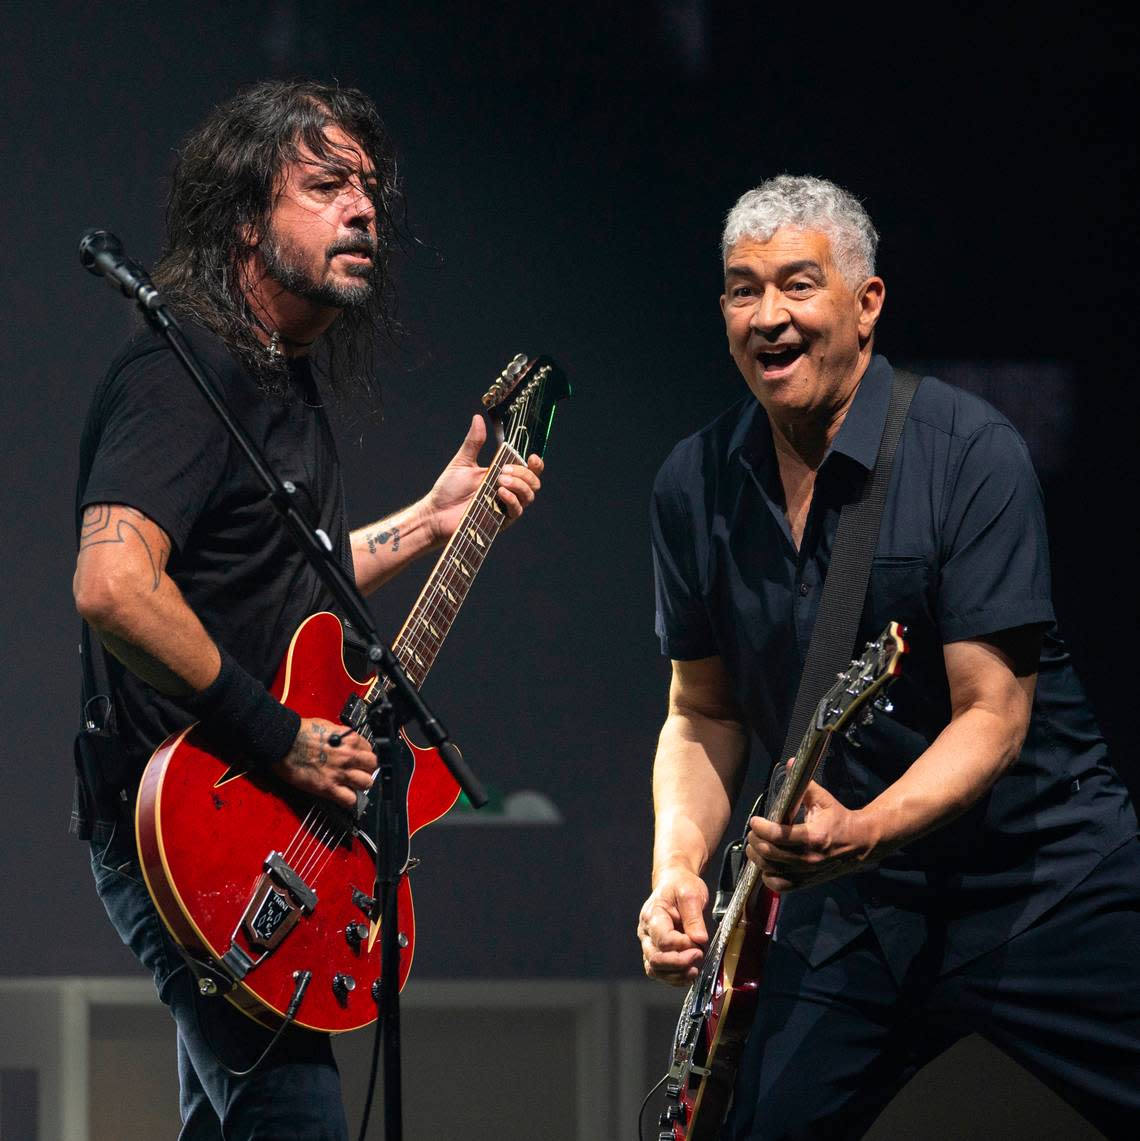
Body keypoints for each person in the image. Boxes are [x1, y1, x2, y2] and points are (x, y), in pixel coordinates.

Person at [72, 80, 544, 1140]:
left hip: (245, 821)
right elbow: (112, 584)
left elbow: (288, 577)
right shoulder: (181, 370)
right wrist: (280, 735)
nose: (364, 211)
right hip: (185, 815)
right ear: (245, 217)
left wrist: (432, 519)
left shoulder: (281, 380)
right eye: (326, 187)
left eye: (370, 191)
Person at [637, 175, 1138, 1139]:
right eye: (744, 290)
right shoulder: (692, 484)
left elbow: (993, 710)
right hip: (852, 905)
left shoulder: (968, 452)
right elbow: (702, 710)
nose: (769, 316)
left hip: (1037, 876)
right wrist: (677, 867)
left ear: (866, 304)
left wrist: (863, 826)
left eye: (797, 284)